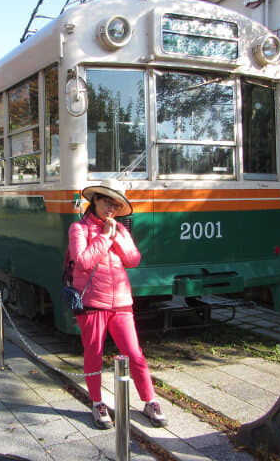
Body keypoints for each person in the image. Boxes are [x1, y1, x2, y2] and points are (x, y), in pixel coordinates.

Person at [68, 179, 167, 429]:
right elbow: (82, 262)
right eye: (106, 203)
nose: (110, 209)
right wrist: (103, 237)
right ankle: (97, 402)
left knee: (135, 354)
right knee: (94, 354)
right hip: (92, 302)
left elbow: (134, 259)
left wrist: (115, 237)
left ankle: (150, 400)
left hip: (121, 302)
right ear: (96, 201)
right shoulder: (78, 229)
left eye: (115, 205)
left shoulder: (121, 231)